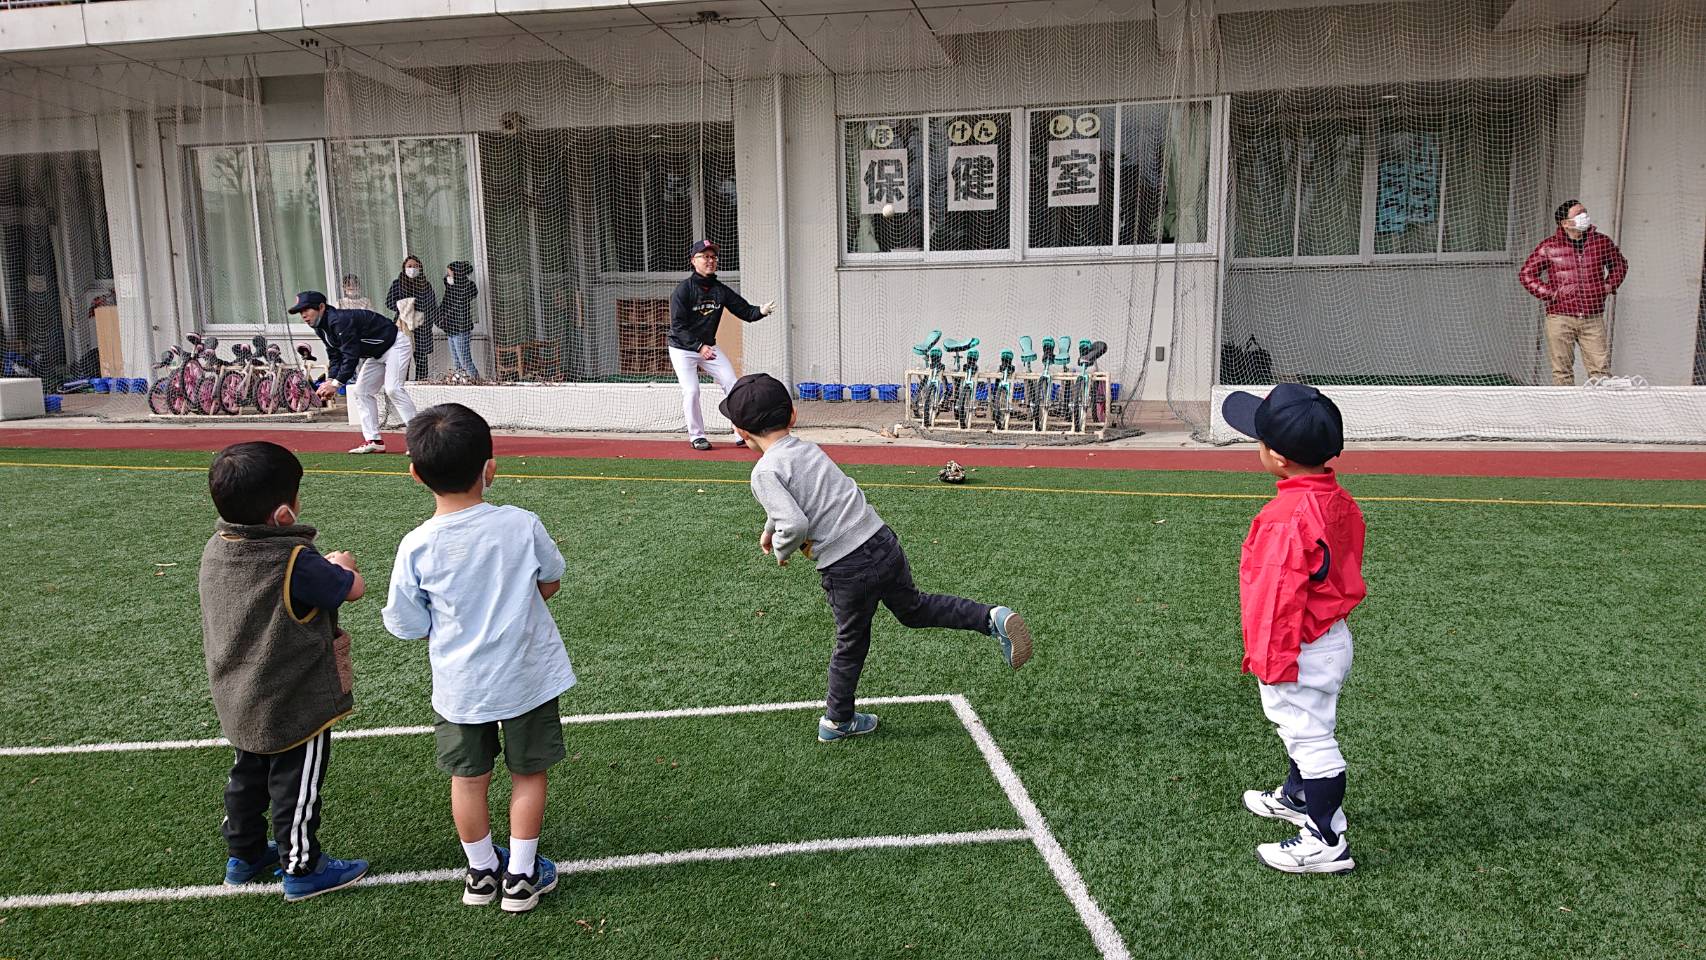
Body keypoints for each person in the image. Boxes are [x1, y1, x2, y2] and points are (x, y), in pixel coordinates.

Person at [720, 373, 1030, 742]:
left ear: (741, 431)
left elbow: (796, 522)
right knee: (915, 609)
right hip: (881, 541)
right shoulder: (807, 449)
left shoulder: (763, 472)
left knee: (850, 642)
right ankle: (990, 618)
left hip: (847, 568)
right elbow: (800, 496)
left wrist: (782, 548)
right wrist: (771, 529)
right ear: (792, 416)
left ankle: (838, 721)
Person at [381, 403, 575, 913]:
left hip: (461, 685)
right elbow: (550, 581)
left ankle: (482, 871)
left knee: (467, 778)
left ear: (415, 474)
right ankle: (521, 875)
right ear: (491, 468)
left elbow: (406, 623)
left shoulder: (416, 545)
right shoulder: (521, 524)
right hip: (527, 676)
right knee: (528, 773)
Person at [199, 440, 370, 901]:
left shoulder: (217, 547)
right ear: (283, 514)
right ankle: (302, 867)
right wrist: (342, 565)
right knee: (297, 784)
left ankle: (245, 853)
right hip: (292, 697)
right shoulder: (294, 560)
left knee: (247, 775)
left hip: (237, 692)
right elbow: (350, 588)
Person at [1219, 383, 1366, 874]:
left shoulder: (1285, 519)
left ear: (1277, 457)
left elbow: (1277, 599)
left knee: (1310, 737)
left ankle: (1326, 839)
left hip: (1300, 643)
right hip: (1327, 635)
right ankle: (1298, 796)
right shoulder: (1336, 498)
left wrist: (1271, 660)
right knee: (1302, 726)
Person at [669, 239, 777, 451]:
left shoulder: (720, 290)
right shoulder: (683, 291)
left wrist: (761, 311)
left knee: (733, 384)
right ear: (693, 261)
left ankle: (740, 431)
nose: (710, 261)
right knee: (691, 391)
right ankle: (697, 436)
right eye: (705, 257)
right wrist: (699, 347)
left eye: (713, 257)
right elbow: (678, 327)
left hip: (708, 347)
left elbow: (745, 311)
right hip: (682, 348)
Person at [292, 290, 419, 455]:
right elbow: (335, 355)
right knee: (361, 391)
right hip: (377, 353)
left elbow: (350, 356)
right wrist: (330, 380)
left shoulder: (339, 321)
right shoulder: (320, 327)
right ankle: (374, 441)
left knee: (393, 389)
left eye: (306, 309)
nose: (303, 315)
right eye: (300, 312)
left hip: (396, 345)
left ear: (321, 307)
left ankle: (420, 439)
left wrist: (336, 384)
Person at [1519, 199, 1629, 385]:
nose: (1584, 216)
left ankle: (1601, 403)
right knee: (1562, 372)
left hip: (1592, 317)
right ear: (1565, 223)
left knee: (1600, 371)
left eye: (1585, 212)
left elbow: (1620, 264)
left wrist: (1609, 285)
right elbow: (1526, 274)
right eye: (1578, 214)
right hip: (1560, 317)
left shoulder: (1601, 243)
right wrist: (1551, 293)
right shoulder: (1549, 247)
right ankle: (1565, 404)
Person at [387, 255, 440, 381]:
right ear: (404, 268)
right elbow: (389, 302)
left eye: (416, 266)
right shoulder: (397, 284)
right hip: (403, 325)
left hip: (421, 325)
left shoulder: (425, 285)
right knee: (402, 356)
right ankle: (401, 383)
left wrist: (418, 308)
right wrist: (405, 305)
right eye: (409, 266)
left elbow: (432, 305)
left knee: (421, 357)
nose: (412, 269)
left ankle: (421, 382)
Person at [440, 261, 480, 380]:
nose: (448, 277)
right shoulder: (450, 288)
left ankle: (476, 382)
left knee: (465, 361)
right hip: (451, 329)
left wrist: (455, 283)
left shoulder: (467, 287)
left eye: (450, 274)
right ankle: (461, 382)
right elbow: (445, 306)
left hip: (461, 329)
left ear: (457, 274)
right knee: (456, 363)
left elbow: (465, 298)